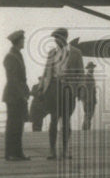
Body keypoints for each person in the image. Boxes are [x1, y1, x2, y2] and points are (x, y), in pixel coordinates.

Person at [41, 28, 83, 160]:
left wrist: (76, 90)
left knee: (66, 121)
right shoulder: (52, 53)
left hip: (68, 90)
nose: (56, 41)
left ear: (65, 38)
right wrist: (41, 88)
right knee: (53, 120)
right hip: (53, 89)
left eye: (58, 38)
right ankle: (52, 150)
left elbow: (80, 74)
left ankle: (65, 150)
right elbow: (46, 72)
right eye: (55, 39)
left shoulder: (76, 53)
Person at [2, 29, 30, 160]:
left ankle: (17, 153)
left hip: (17, 95)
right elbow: (13, 79)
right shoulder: (11, 56)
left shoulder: (16, 54)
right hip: (14, 96)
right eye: (23, 39)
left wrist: (26, 92)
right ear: (18, 41)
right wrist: (22, 95)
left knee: (18, 125)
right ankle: (11, 153)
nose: (24, 41)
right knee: (13, 125)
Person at [80, 62, 98, 130]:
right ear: (88, 69)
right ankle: (86, 129)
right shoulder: (86, 77)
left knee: (89, 115)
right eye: (91, 67)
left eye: (93, 68)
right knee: (88, 115)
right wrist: (84, 100)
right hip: (88, 100)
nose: (92, 69)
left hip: (92, 100)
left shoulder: (91, 77)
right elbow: (83, 89)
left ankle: (86, 129)